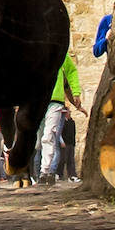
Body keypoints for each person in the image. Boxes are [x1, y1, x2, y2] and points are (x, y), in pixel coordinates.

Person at [38, 51, 85, 185]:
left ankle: (46, 171)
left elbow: (71, 71)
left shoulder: (61, 54)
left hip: (55, 101)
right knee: (38, 140)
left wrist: (76, 93)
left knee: (49, 135)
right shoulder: (34, 51)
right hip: (37, 102)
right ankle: (42, 170)